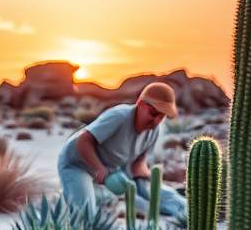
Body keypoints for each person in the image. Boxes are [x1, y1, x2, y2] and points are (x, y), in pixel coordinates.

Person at [57, 81, 186, 219]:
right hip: (77, 164)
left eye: (162, 116)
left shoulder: (154, 130)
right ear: (140, 104)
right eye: (153, 113)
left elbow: (138, 164)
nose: (156, 120)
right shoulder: (120, 116)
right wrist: (101, 171)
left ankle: (186, 210)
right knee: (86, 217)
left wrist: (147, 182)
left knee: (152, 190)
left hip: (112, 168)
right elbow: (83, 141)